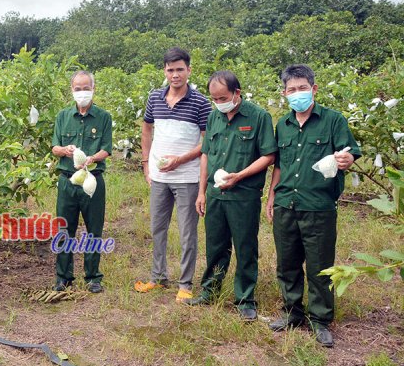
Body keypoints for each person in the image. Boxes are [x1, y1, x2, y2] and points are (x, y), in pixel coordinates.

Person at [266, 64, 360, 347]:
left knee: (320, 265)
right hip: (286, 203)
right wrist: (271, 196)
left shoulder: (333, 121)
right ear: (284, 93)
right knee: (287, 262)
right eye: (292, 90)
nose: (298, 94)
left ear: (314, 89)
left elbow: (349, 152)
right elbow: (279, 166)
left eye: (302, 88)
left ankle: (320, 319)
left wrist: (347, 160)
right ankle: (292, 312)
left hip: (318, 205)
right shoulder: (282, 124)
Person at [186, 71, 276, 320]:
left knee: (245, 247)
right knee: (215, 245)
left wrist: (240, 176)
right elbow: (206, 154)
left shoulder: (258, 117)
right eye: (214, 98)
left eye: (223, 97)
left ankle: (245, 298)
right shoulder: (214, 117)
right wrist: (201, 191)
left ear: (237, 92)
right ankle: (209, 291)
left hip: (244, 195)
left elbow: (268, 156)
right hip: (216, 195)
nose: (219, 102)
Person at [134, 47, 211, 303]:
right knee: (158, 228)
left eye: (180, 69)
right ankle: (158, 277)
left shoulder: (200, 102)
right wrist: (146, 164)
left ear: (189, 70)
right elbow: (146, 128)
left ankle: (186, 283)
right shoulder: (155, 97)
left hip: (187, 177)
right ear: (164, 71)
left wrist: (180, 159)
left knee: (187, 232)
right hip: (159, 177)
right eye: (170, 70)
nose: (175, 74)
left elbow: (207, 142)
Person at [51, 70, 112, 293]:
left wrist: (93, 158)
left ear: (93, 89)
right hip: (67, 182)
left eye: (86, 88)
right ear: (72, 90)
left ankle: (93, 277)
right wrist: (65, 150)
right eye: (78, 89)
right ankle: (63, 277)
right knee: (64, 230)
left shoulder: (104, 117)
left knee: (94, 229)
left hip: (92, 182)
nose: (82, 93)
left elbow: (107, 148)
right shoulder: (63, 117)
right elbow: (54, 147)